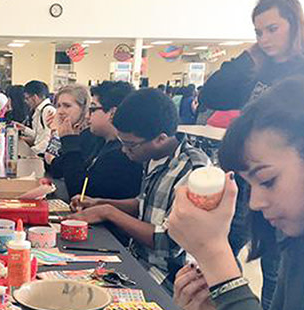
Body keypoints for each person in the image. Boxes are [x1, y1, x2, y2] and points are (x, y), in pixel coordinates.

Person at [169, 76, 304, 310]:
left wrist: (217, 260)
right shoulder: (303, 240)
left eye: (267, 181)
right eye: (248, 185)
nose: (255, 202)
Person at [201, 0, 304, 310]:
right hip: (251, 178)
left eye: (272, 28)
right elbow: (211, 94)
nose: (265, 38)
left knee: (278, 267)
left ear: (296, 25)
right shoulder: (258, 71)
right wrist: (248, 57)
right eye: (258, 32)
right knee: (253, 248)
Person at [69, 88, 210, 290]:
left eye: (130, 145)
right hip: (136, 261)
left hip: (166, 280)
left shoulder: (194, 171)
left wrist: (108, 212)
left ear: (160, 138)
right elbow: (145, 204)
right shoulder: (152, 156)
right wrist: (99, 202)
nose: (125, 151)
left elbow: (168, 242)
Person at [55, 81, 142, 207]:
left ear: (112, 113)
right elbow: (57, 168)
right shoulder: (97, 140)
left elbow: (79, 191)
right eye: (58, 106)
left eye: (93, 109)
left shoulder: (122, 153)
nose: (88, 116)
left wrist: (69, 142)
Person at [44, 84, 93, 177]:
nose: (60, 111)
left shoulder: (89, 135)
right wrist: (55, 133)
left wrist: (57, 134)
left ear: (83, 108)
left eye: (67, 106)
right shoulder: (68, 131)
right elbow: (48, 164)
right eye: (58, 106)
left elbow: (57, 169)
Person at [19, 80, 57, 156]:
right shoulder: (39, 110)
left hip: (41, 154)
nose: (26, 102)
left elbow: (47, 141)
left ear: (35, 97)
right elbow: (38, 135)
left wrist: (32, 152)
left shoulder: (48, 110)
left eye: (27, 98)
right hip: (38, 151)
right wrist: (24, 129)